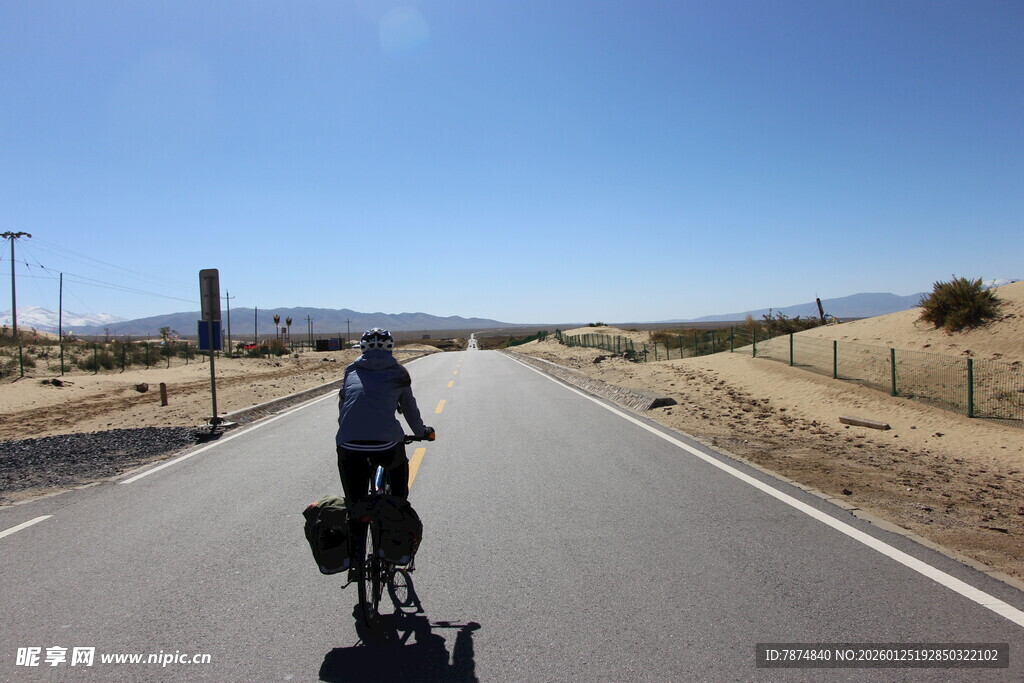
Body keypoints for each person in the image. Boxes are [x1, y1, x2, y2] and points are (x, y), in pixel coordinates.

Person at [336, 328, 434, 504]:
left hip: (349, 444)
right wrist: (421, 433)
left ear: (362, 348)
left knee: (354, 505)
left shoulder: (350, 371)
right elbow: (409, 410)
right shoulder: (399, 372)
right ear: (390, 347)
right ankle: (397, 509)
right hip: (386, 445)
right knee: (398, 495)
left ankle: (355, 523)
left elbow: (343, 409)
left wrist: (348, 431)